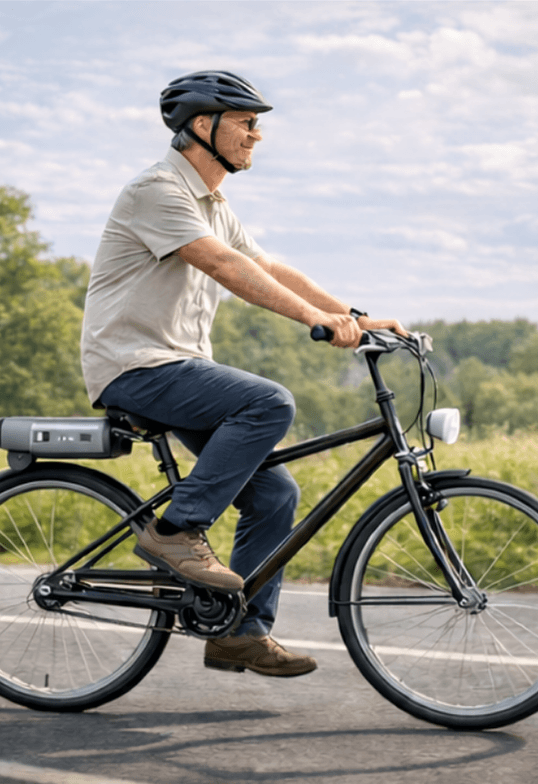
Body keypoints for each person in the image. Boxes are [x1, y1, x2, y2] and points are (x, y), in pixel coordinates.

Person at [81, 70, 407, 678]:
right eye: (247, 122)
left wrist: (353, 317)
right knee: (268, 402)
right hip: (134, 367)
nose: (257, 135)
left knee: (275, 493)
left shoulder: (212, 204)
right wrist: (314, 319)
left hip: (177, 367)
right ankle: (176, 531)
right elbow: (225, 266)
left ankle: (239, 632)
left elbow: (267, 265)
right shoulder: (157, 191)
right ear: (202, 127)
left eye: (258, 125)